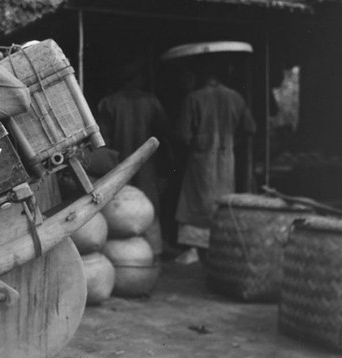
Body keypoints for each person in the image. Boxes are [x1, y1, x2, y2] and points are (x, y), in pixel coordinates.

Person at [174, 56, 256, 264]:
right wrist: (232, 141)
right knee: (221, 200)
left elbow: (183, 134)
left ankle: (193, 248)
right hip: (226, 157)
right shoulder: (235, 97)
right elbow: (250, 128)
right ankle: (219, 246)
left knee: (195, 201)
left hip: (201, 159)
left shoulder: (194, 97)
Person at [96, 61, 172, 255]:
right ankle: (153, 251)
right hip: (147, 162)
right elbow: (163, 132)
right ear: (137, 79)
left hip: (118, 162)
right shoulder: (152, 101)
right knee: (149, 205)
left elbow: (102, 140)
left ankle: (119, 256)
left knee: (119, 208)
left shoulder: (108, 103)